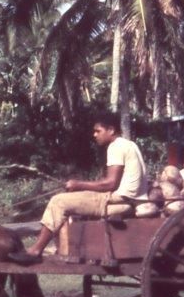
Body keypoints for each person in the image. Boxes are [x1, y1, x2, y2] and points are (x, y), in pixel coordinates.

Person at [12, 112, 149, 263]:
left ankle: (36, 250)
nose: (94, 135)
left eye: (98, 131)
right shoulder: (130, 144)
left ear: (111, 130)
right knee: (73, 197)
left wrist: (78, 184)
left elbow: (110, 183)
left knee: (58, 201)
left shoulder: (116, 147)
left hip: (118, 202)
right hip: (128, 200)